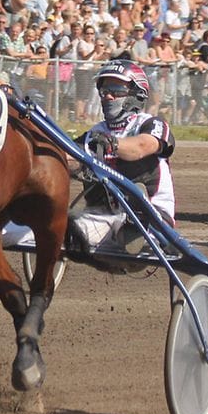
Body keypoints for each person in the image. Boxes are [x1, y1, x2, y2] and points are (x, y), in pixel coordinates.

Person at [66, 60, 176, 265]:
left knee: (132, 215)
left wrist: (112, 144)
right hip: (104, 218)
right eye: (104, 90)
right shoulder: (94, 133)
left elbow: (142, 146)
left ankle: (136, 234)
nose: (108, 96)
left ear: (136, 93)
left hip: (155, 220)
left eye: (116, 90)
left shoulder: (151, 124)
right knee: (66, 231)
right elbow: (69, 160)